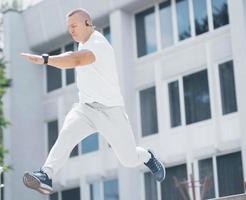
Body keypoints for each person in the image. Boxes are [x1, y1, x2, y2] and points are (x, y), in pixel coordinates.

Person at [20, 8, 165, 194]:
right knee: (65, 136)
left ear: (87, 23)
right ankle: (45, 174)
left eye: (74, 26)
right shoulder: (83, 44)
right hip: (85, 109)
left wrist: (46, 60)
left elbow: (76, 60)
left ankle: (147, 155)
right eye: (68, 27)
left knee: (128, 159)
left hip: (110, 111)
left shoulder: (98, 44)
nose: (71, 31)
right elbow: (71, 56)